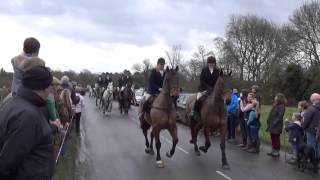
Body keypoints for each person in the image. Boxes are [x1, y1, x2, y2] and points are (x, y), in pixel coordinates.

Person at [0, 66, 55, 180]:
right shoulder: (29, 116)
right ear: (44, 87)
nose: (51, 90)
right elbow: (7, 162)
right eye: (50, 86)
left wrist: (53, 128)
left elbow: (30, 138)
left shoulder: (13, 103)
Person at [266, 93, 286, 157]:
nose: (275, 98)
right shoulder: (275, 104)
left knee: (276, 138)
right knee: (272, 138)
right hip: (271, 124)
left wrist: (274, 123)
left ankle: (276, 152)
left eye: (276, 97)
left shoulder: (282, 106)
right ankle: (273, 150)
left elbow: (280, 116)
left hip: (276, 125)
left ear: (279, 98)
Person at [302, 93, 320, 161]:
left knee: (311, 146)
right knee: (318, 145)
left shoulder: (311, 108)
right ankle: (317, 160)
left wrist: (303, 128)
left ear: (312, 99)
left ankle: (313, 161)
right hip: (318, 130)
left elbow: (306, 120)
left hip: (311, 131)